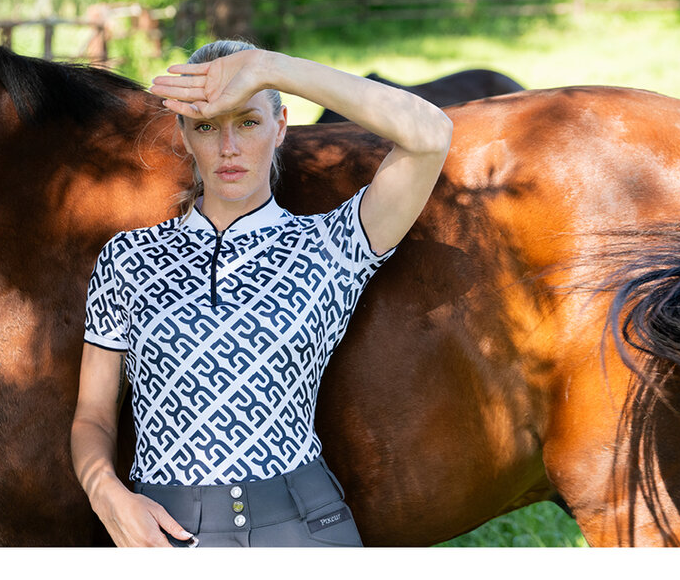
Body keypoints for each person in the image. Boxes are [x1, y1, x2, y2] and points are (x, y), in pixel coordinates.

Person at [70, 40, 452, 547]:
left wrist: (270, 68)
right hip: (170, 532)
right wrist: (106, 494)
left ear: (281, 127)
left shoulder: (331, 245)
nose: (229, 147)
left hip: (305, 527)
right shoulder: (127, 258)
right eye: (207, 126)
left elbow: (431, 134)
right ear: (184, 136)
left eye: (248, 121)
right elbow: (92, 415)